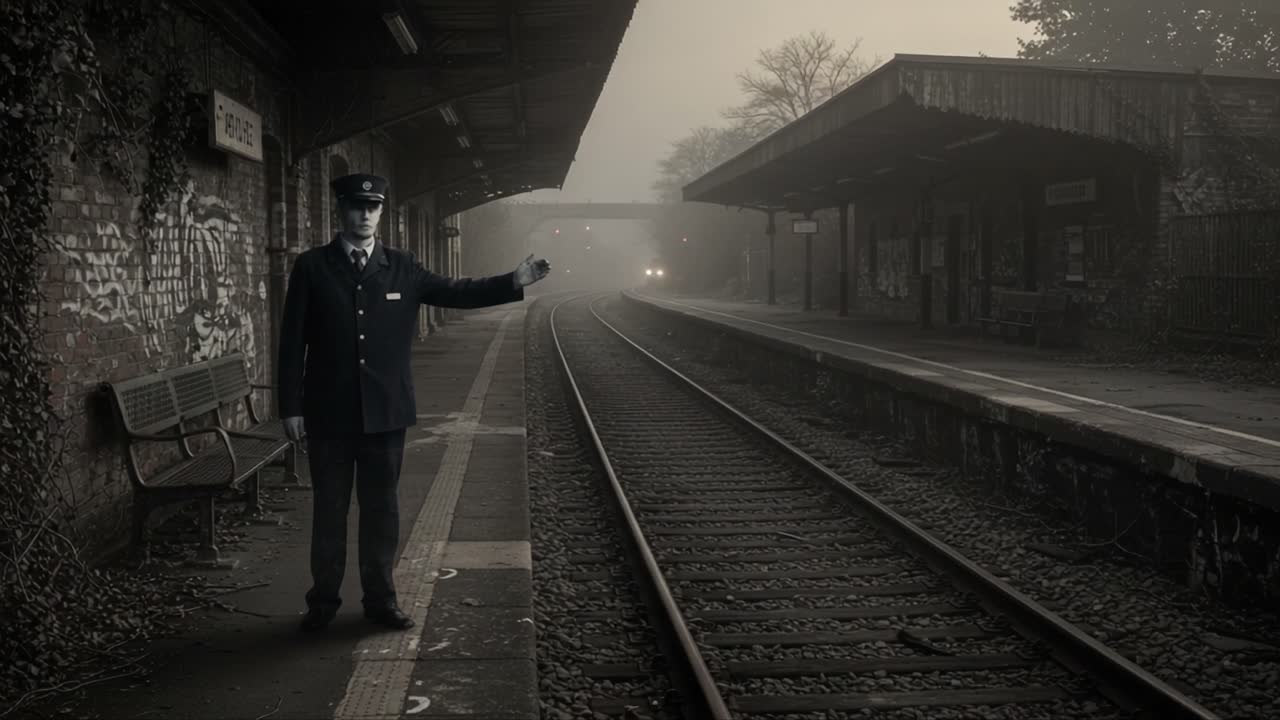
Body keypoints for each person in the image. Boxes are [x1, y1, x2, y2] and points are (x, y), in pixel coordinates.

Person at [277, 173, 550, 632]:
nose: (364, 215)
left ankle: (380, 601)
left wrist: (512, 281)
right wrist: (290, 407)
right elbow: (291, 343)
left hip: (386, 413)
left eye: (373, 207)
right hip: (328, 413)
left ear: (381, 213)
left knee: (382, 511)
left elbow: (456, 291)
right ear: (341, 210)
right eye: (356, 206)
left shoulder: (402, 265)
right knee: (329, 511)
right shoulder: (312, 267)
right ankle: (322, 601)